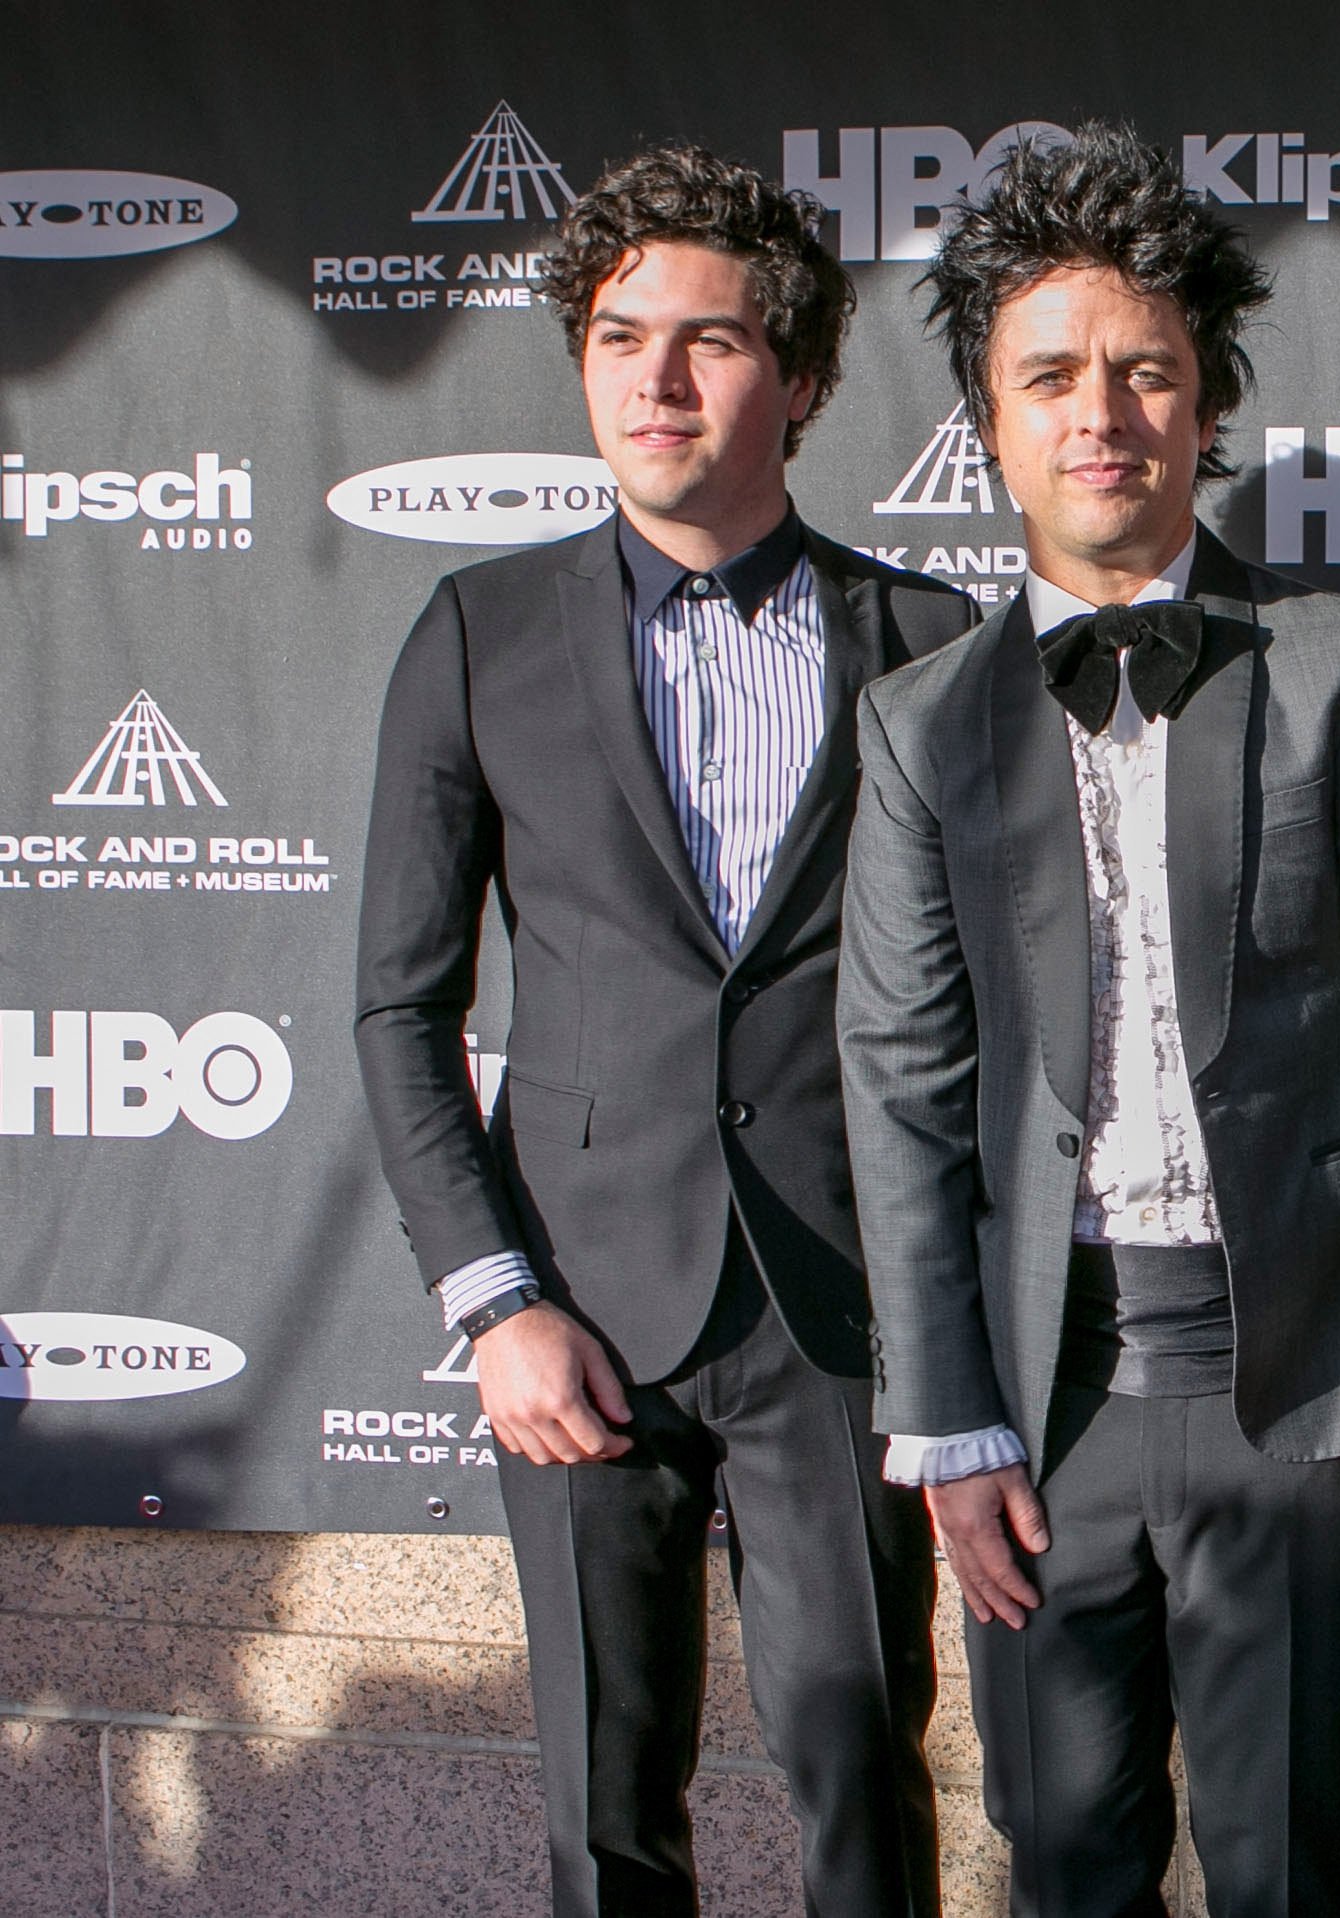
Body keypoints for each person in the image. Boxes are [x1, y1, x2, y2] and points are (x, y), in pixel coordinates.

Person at [836, 122, 1340, 1916]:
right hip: (1043, 1395)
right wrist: (948, 1420)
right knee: (1062, 1860)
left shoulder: (1339, 666)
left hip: (1285, 1384)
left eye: (1145, 371)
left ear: (1203, 403)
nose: (1102, 412)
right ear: (989, 419)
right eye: (1050, 374)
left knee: (1287, 1864)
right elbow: (903, 1080)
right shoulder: (921, 724)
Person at [354, 144, 972, 1917]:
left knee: (862, 1767)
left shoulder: (927, 645)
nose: (654, 378)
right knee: (606, 1807)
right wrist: (495, 1302)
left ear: (802, 377)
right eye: (619, 336)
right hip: (574, 1315)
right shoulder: (475, 631)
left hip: (837, 1312)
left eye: (706, 341)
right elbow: (400, 1005)